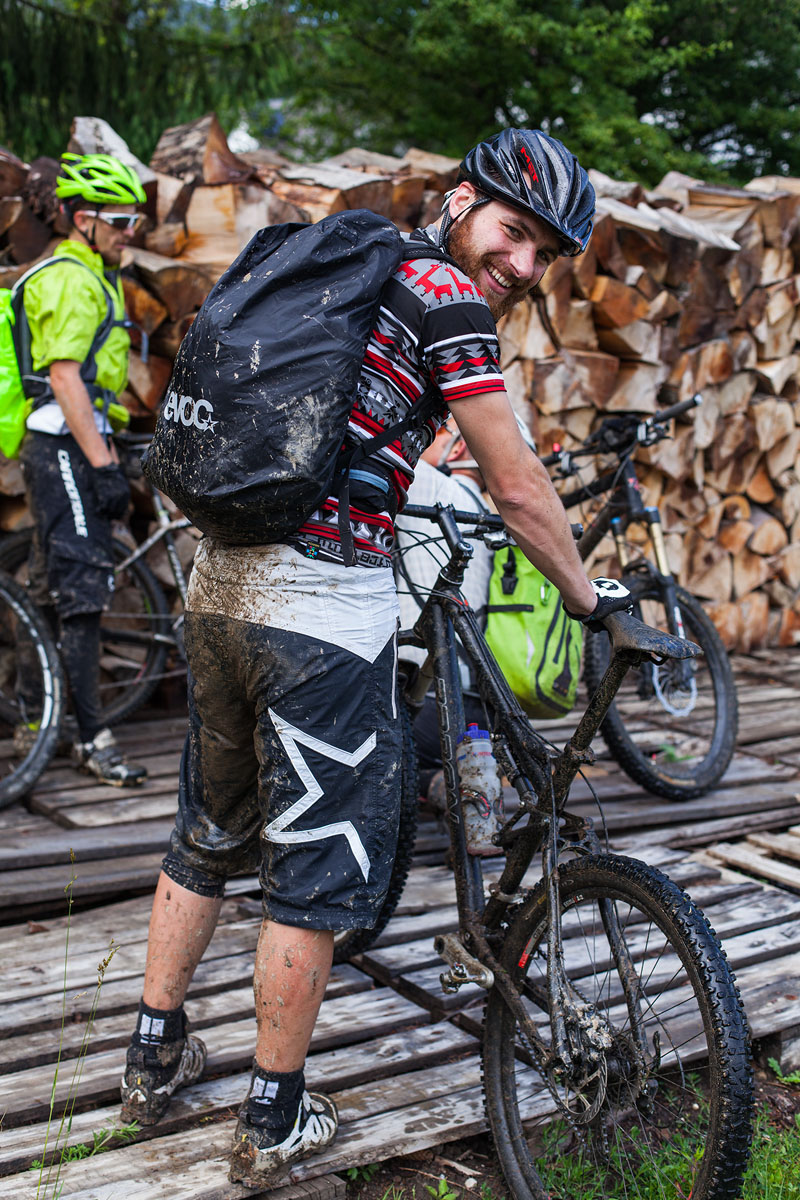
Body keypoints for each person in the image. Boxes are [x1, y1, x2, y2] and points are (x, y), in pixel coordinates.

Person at [120, 127, 631, 1187]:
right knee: (314, 874)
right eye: (514, 231)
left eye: (543, 252)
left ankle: (151, 1054)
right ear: (461, 200)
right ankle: (273, 1118)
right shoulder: (444, 295)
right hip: (319, 614)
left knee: (208, 831)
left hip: (216, 585)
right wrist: (591, 603)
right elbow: (515, 483)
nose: (523, 264)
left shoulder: (353, 267)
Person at [18, 153, 148, 787]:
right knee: (82, 594)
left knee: (48, 589)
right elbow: (66, 376)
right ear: (81, 219)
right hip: (62, 444)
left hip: (72, 440)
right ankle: (92, 740)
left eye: (136, 220)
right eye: (119, 220)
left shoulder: (95, 274)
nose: (130, 231)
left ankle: (33, 723)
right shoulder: (72, 277)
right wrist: (102, 465)